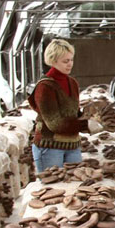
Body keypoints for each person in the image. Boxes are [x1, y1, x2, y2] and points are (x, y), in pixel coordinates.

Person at [28, 39, 92, 173]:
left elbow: (73, 112)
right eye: (65, 61)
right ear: (53, 60)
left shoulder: (72, 83)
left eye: (71, 60)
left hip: (72, 144)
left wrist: (90, 117)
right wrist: (85, 125)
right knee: (53, 187)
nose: (70, 64)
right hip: (50, 146)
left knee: (75, 187)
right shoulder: (45, 86)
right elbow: (54, 123)